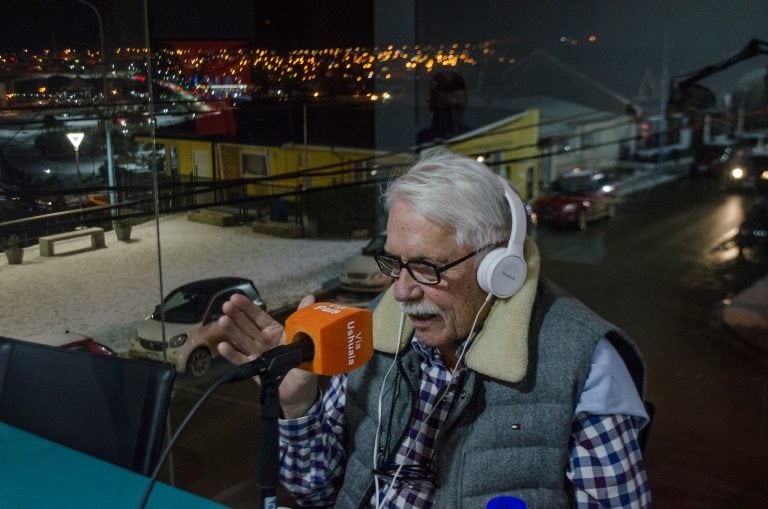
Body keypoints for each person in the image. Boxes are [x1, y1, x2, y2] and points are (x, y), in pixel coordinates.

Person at [218, 149, 652, 508]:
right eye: (394, 263)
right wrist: (298, 406)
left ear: (498, 265)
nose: (402, 292)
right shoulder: (375, 327)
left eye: (426, 267)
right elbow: (318, 493)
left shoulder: (585, 361)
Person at [416, 71, 471, 144]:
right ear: (432, 106)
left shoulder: (472, 137)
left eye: (457, 108)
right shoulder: (423, 138)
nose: (452, 115)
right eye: (446, 110)